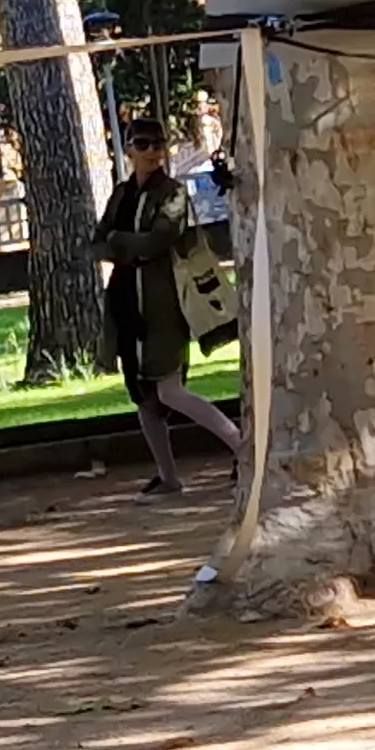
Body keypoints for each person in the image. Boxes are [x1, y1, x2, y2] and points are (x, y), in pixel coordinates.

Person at [98, 116, 247, 496]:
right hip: (126, 300)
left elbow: (159, 239)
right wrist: (124, 242)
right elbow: (97, 243)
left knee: (169, 388)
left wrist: (121, 242)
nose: (153, 152)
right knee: (143, 394)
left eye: (159, 145)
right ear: (128, 148)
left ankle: (244, 448)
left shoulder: (173, 192)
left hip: (166, 299)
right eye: (144, 144)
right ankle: (167, 477)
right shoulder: (121, 193)